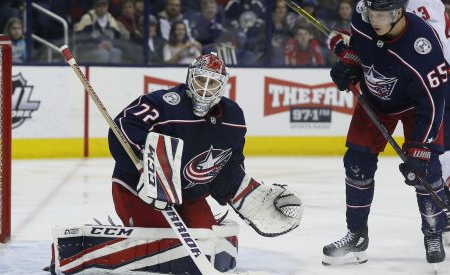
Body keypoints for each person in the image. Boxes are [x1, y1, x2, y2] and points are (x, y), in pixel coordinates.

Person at [107, 53, 303, 273]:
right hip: (138, 189)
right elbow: (122, 127)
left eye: (213, 83)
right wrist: (147, 169)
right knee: (161, 247)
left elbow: (229, 165)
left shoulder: (234, 117)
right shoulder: (164, 103)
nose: (205, 88)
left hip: (189, 193)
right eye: (201, 80)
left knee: (209, 242)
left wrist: (247, 194)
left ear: (222, 86)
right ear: (190, 77)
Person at [323, 0, 448, 266]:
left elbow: (434, 103)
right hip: (375, 102)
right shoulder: (362, 16)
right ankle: (356, 236)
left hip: (417, 109)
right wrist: (350, 65)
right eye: (372, 14)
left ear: (399, 13)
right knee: (356, 163)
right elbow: (359, 47)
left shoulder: (423, 46)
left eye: (381, 15)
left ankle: (433, 234)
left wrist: (420, 148)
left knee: (427, 170)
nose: (374, 20)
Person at [406, 0, 450, 246]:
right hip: (436, 77)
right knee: (440, 150)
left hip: (436, 78)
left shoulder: (421, 3)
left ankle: (444, 208)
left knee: (439, 150)